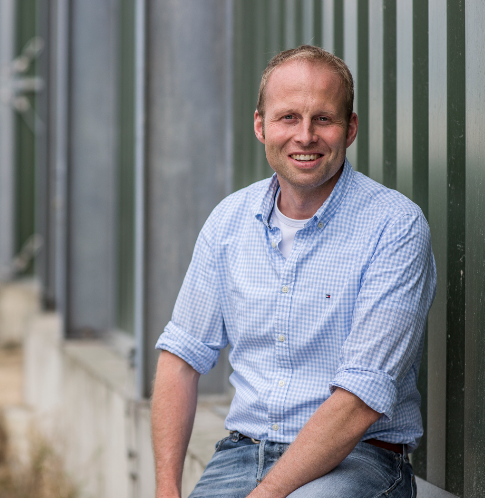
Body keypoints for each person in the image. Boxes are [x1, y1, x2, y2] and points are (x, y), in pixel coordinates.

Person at [150, 45, 436, 498]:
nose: (305, 135)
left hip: (359, 461)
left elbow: (359, 400)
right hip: (242, 454)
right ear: (261, 126)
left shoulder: (394, 227)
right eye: (288, 118)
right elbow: (180, 361)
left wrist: (265, 495)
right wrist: (166, 490)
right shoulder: (229, 221)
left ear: (351, 128)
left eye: (323, 119)